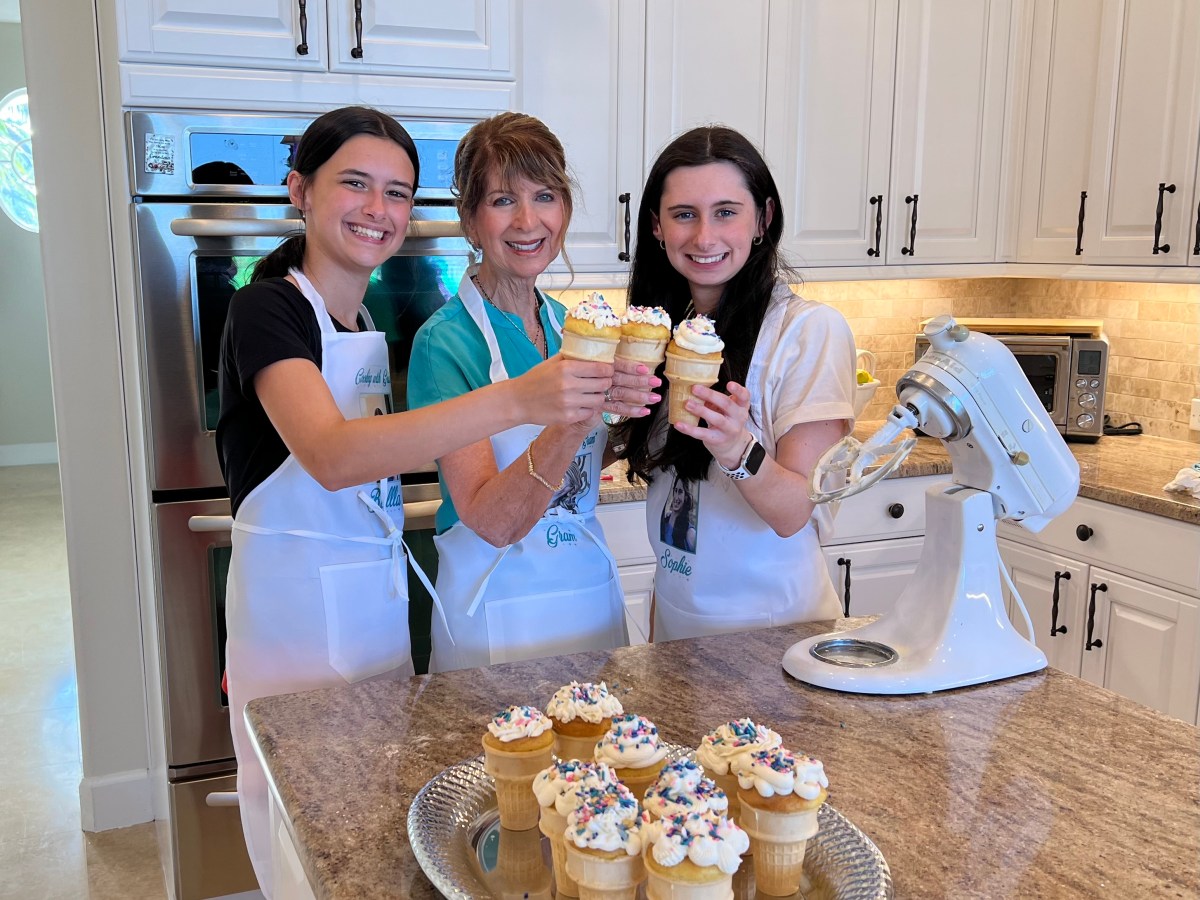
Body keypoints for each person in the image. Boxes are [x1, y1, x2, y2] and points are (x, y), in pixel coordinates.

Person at [215, 106, 614, 896]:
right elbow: (329, 456)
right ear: (300, 190)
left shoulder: (360, 321)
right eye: (354, 185)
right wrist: (523, 400)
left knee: (375, 850)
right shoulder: (265, 309)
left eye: (397, 193)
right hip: (296, 630)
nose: (379, 209)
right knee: (312, 854)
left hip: (376, 625)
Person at [407, 112, 660, 671]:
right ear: (470, 221)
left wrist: (629, 421)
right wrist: (573, 420)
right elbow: (492, 521)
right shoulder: (444, 345)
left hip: (588, 598)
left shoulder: (573, 328)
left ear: (564, 212)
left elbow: (583, 463)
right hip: (496, 610)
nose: (528, 220)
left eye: (544, 196)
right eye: (502, 200)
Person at [612, 125, 856, 641]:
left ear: (762, 219)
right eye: (684, 214)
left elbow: (794, 512)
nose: (704, 237)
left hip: (773, 633)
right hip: (678, 623)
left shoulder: (807, 331)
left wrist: (738, 449)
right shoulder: (661, 335)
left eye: (726, 212)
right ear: (657, 226)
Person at [659, 474, 697, 553]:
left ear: (685, 497)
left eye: (680, 492)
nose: (676, 496)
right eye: (675, 490)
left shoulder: (690, 533)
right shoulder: (664, 522)